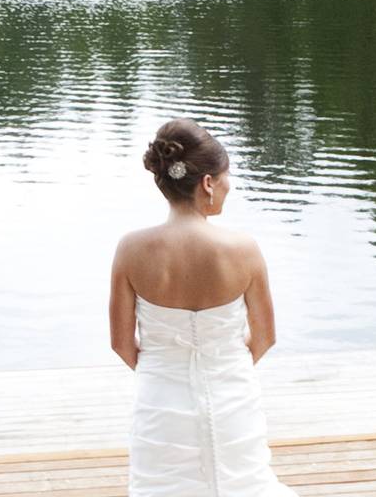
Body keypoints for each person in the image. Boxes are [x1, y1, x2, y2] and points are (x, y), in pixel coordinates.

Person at [108, 117, 298, 497]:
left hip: (159, 403)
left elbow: (121, 343)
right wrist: (224, 365)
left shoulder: (130, 250)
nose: (230, 186)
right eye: (227, 177)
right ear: (208, 183)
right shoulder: (243, 250)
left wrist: (163, 370)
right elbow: (265, 336)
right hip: (232, 397)